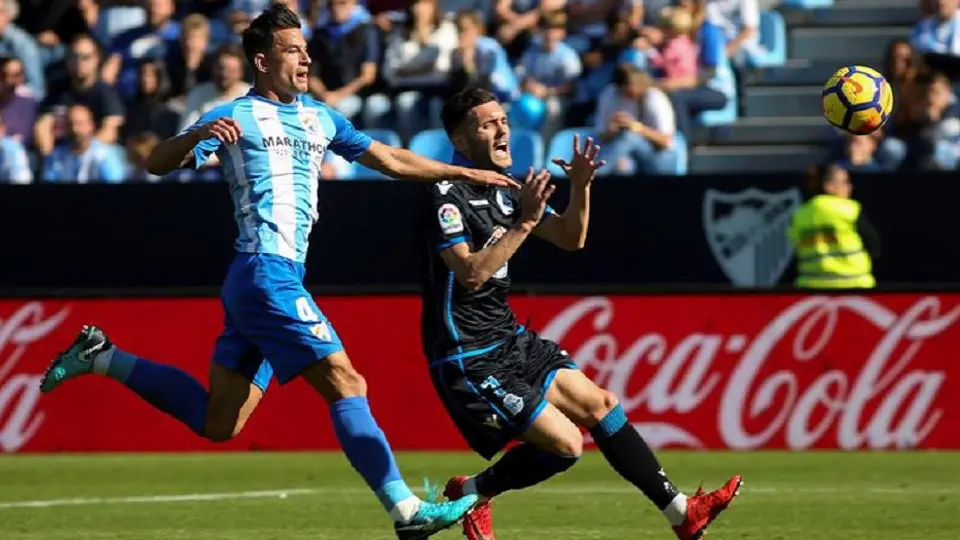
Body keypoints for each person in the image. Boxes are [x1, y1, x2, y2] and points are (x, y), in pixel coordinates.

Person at [38, 5, 517, 539]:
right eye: (293, 49)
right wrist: (192, 138)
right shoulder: (235, 117)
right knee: (346, 380)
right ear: (262, 61)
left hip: (266, 280)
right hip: (266, 274)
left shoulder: (320, 116)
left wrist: (464, 171)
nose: (306, 56)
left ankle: (104, 358)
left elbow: (390, 159)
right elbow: (157, 163)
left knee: (220, 422)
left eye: (305, 47)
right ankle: (406, 511)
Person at [420, 87, 743, 540]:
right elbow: (471, 274)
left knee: (602, 405)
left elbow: (572, 238)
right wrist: (525, 223)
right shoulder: (445, 195)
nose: (503, 129)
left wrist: (581, 186)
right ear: (459, 136)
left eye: (504, 120)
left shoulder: (511, 190)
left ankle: (681, 513)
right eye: (488, 123)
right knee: (567, 446)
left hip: (510, 337)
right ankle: (472, 493)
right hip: (467, 352)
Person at [787, 164, 880, 289]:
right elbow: (873, 245)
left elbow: (795, 250)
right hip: (854, 284)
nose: (849, 187)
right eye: (845, 182)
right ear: (829, 186)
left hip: (811, 286)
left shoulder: (799, 215)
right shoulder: (850, 209)